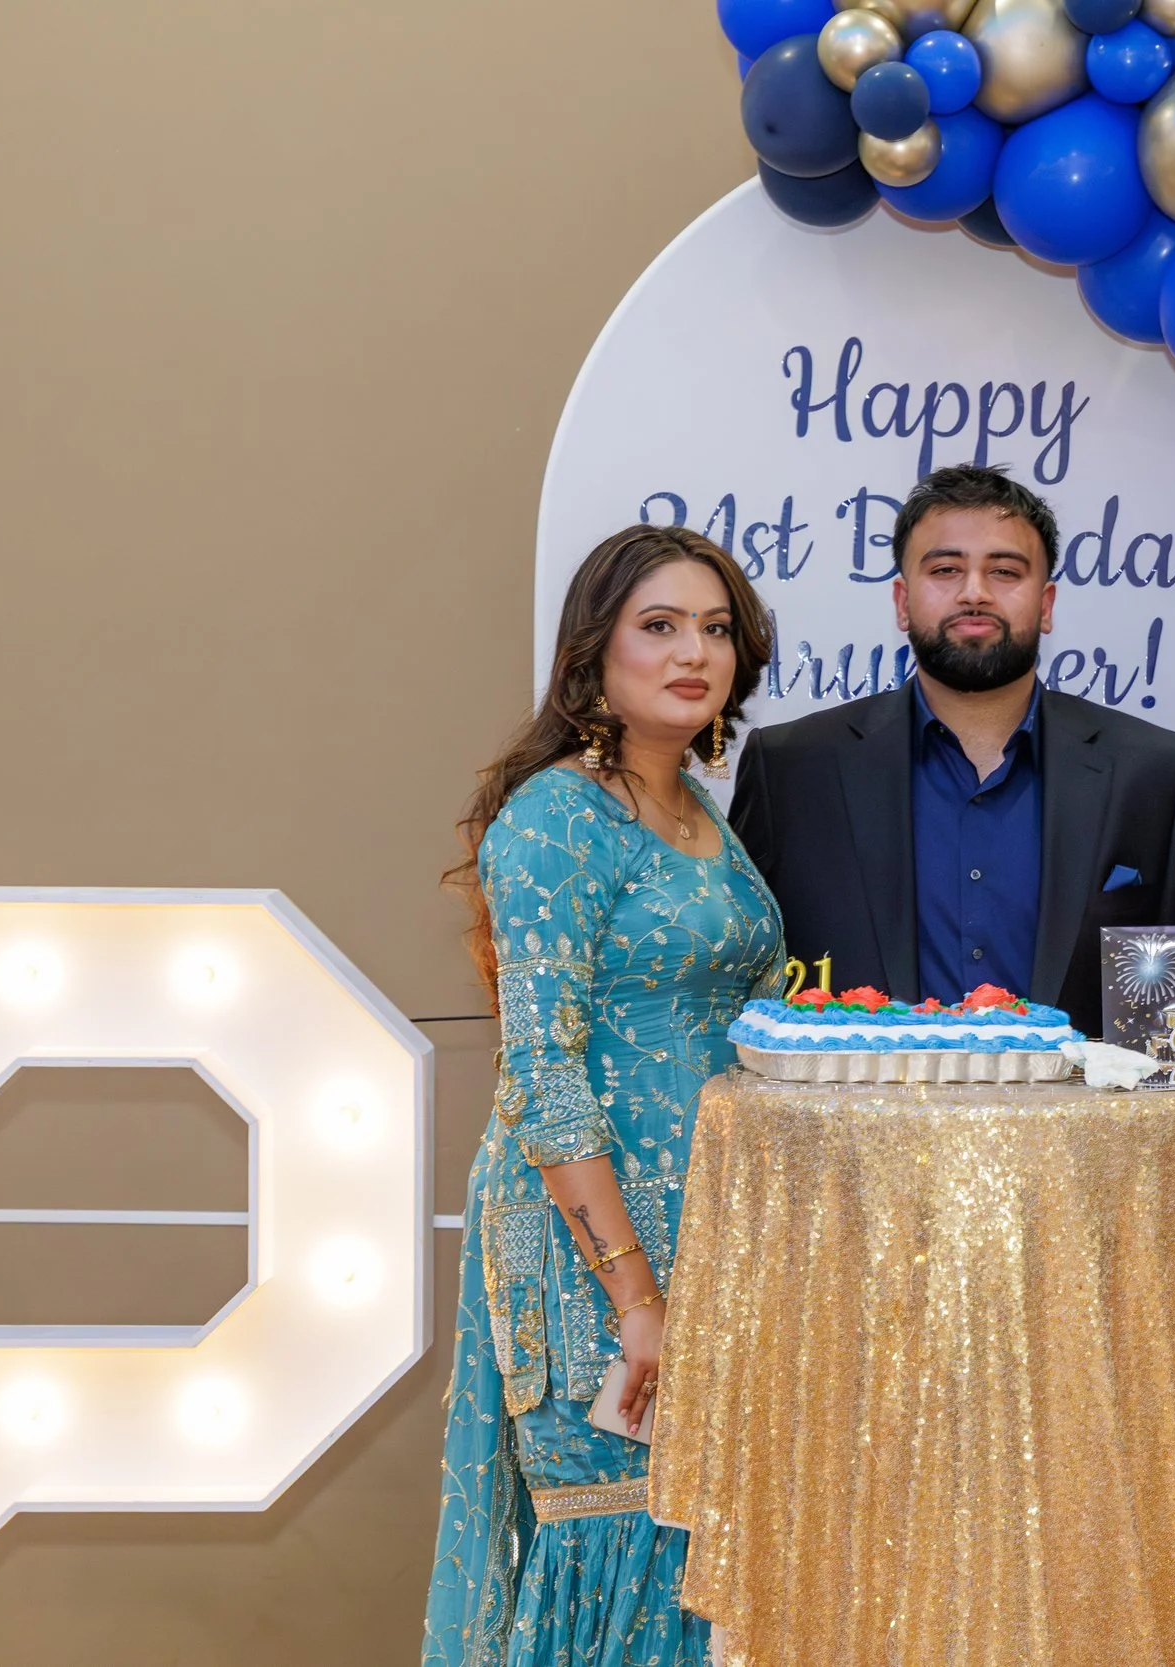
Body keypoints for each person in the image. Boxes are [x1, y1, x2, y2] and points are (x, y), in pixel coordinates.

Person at [423, 525, 784, 1667]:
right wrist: (633, 1294)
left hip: (712, 1235)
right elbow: (543, 1074)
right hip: (594, 1248)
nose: (695, 653)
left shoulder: (696, 813)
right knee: (617, 1541)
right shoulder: (558, 818)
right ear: (595, 652)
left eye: (716, 629)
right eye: (660, 626)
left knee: (699, 1553)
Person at [729, 462, 1175, 1019]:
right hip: (856, 1105)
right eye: (944, 569)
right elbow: (745, 975)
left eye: (1006, 572)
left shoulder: (1156, 772)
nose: (975, 593)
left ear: (1047, 603)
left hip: (1087, 1105)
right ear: (902, 602)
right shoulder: (793, 768)